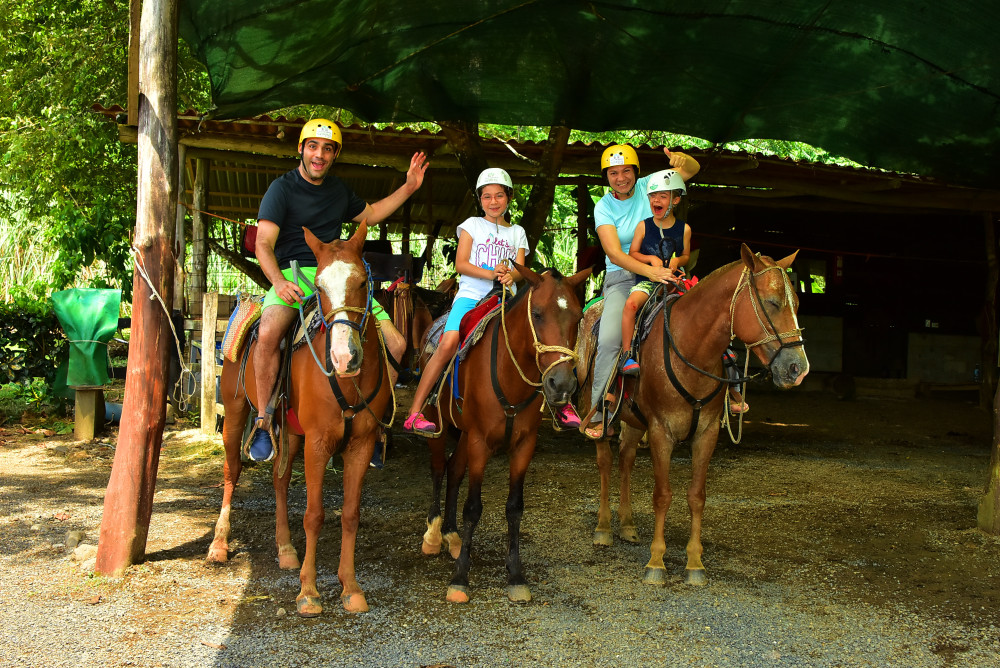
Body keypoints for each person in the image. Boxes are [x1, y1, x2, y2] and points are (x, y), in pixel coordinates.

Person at [247, 118, 429, 462]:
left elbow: (371, 214)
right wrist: (279, 283)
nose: (319, 155)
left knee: (397, 342)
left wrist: (409, 187)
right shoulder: (280, 189)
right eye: (313, 146)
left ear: (334, 155)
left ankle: (373, 423)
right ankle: (263, 420)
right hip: (294, 274)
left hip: (337, 276)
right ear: (301, 149)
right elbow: (263, 244)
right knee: (269, 332)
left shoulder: (339, 190)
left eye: (327, 149)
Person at [403, 168, 583, 436]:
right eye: (487, 196)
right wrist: (491, 273)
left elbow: (520, 270)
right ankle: (415, 410)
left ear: (509, 197)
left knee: (535, 344)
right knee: (449, 342)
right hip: (472, 296)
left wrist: (510, 275)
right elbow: (461, 263)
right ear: (480, 200)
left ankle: (561, 405)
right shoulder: (472, 226)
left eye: (499, 195)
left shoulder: (518, 232)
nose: (494, 201)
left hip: (505, 300)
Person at [584, 144, 700, 440]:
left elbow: (690, 171)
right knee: (609, 337)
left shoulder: (651, 185)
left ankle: (714, 399)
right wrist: (652, 272)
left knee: (704, 321)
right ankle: (600, 412)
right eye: (613, 173)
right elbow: (614, 252)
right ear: (606, 176)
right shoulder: (604, 207)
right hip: (623, 276)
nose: (620, 178)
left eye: (626, 171)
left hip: (666, 271)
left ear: (636, 172)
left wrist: (680, 161)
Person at [619, 169, 691, 375]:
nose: (655, 200)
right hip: (648, 280)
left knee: (703, 304)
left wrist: (678, 260)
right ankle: (626, 355)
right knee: (631, 304)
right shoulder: (643, 226)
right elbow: (632, 253)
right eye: (652, 196)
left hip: (674, 279)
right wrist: (650, 259)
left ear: (676, 200)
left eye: (662, 196)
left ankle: (724, 353)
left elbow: (686, 256)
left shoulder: (684, 229)